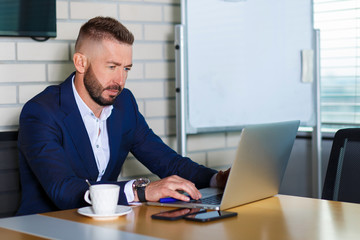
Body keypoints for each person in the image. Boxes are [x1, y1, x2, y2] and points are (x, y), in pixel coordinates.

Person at [16, 16, 229, 216]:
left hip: (104, 227)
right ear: (81, 62)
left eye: (126, 68)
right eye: (112, 67)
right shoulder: (40, 112)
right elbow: (64, 190)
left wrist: (216, 179)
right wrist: (140, 191)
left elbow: (168, 162)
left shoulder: (124, 104)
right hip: (46, 226)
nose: (120, 80)